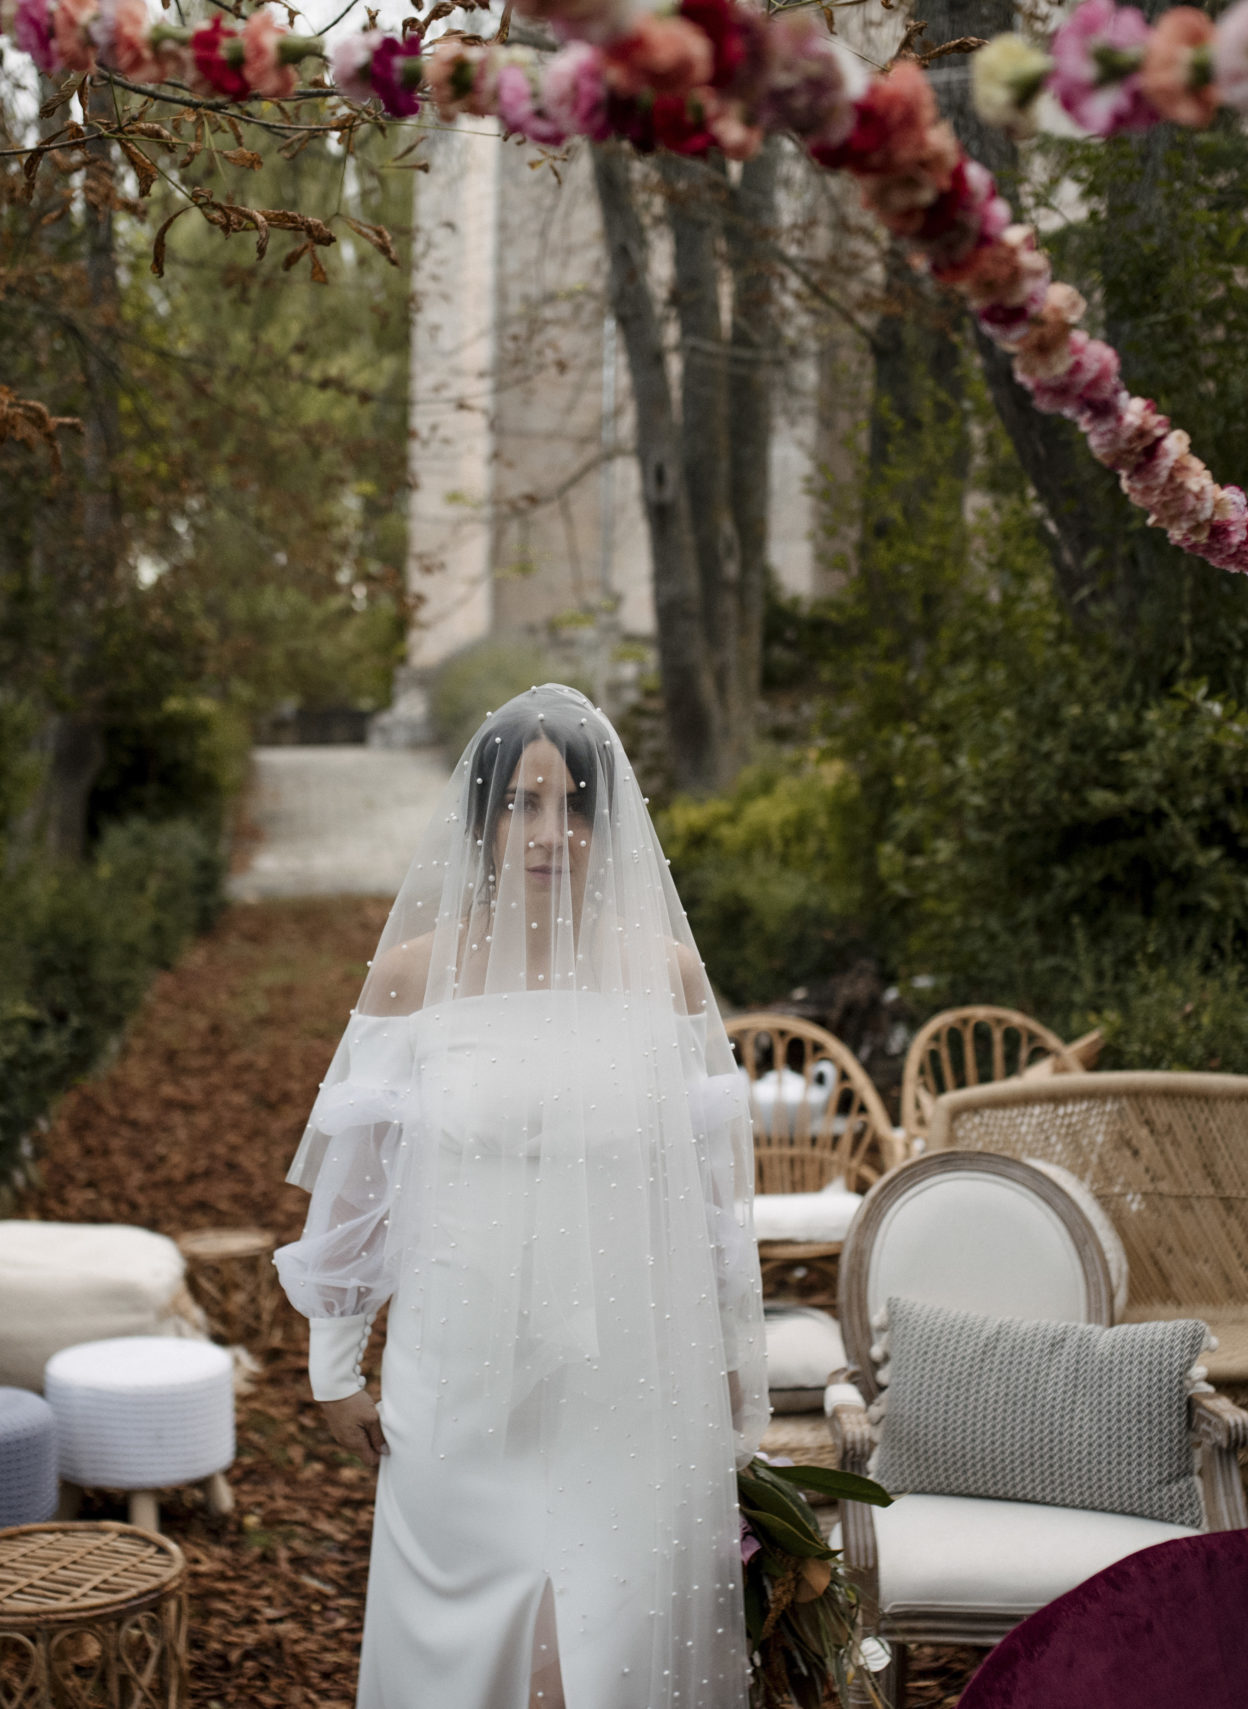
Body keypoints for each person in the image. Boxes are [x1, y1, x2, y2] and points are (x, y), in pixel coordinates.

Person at [274, 684, 767, 1709]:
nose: (550, 834)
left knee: (611, 1635)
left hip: (629, 1371)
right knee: (465, 1645)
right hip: (459, 1372)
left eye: (575, 805)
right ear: (482, 818)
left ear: (608, 823)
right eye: (523, 804)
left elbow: (711, 1199)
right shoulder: (414, 977)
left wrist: (725, 1352)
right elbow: (358, 1184)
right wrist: (334, 1365)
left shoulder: (664, 974)